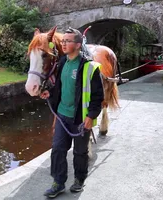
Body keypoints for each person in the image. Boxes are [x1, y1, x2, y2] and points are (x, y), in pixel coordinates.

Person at [40, 27, 104, 198]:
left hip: (80, 119)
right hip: (62, 116)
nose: (63, 43)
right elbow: (59, 88)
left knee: (79, 152)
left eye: (67, 41)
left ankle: (79, 180)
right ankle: (58, 182)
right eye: (63, 41)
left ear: (77, 44)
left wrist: (91, 116)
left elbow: (98, 96)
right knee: (58, 149)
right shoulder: (62, 63)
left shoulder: (90, 67)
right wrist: (50, 93)